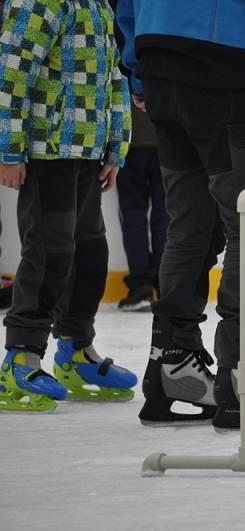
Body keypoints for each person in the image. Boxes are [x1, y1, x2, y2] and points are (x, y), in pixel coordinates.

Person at [116, 0, 245, 427]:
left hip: (160, 74)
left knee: (190, 225)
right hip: (226, 78)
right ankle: (241, 371)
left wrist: (137, 69)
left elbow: (125, 8)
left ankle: (173, 361)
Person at [0, 0, 136, 412]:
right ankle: (20, 357)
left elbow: (115, 77)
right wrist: (10, 150)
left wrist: (116, 146)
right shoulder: (38, 1)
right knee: (49, 255)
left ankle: (76, 352)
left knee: (91, 255)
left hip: (88, 150)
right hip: (47, 150)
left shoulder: (98, 4)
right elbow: (12, 70)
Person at [116, 104, 167, 312]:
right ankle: (165, 282)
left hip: (130, 142)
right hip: (165, 142)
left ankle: (140, 285)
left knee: (132, 217)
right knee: (165, 216)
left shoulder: (125, 69)